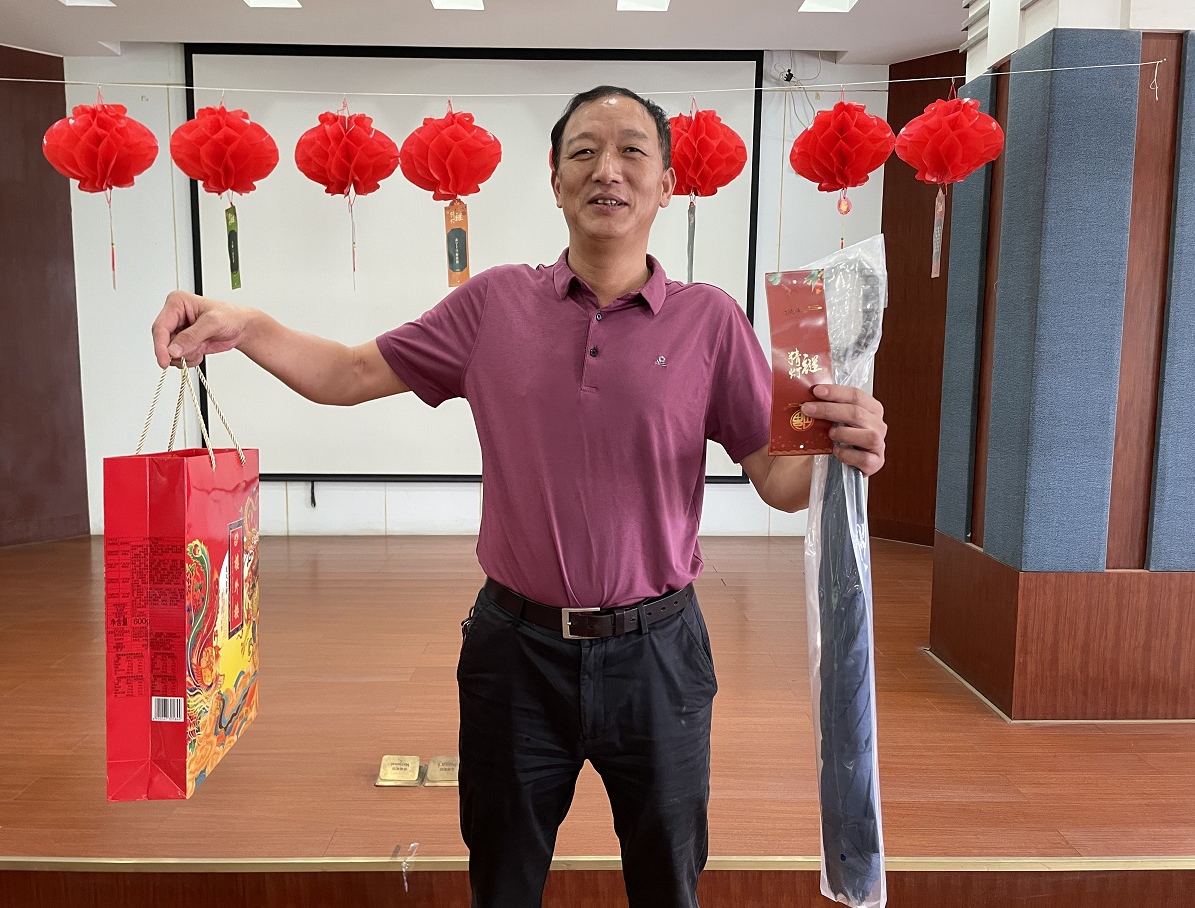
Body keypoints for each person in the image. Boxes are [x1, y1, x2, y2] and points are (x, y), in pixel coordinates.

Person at [152, 85, 888, 908]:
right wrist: (247, 326)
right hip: (516, 653)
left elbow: (777, 481)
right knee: (502, 883)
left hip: (659, 657)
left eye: (632, 151)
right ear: (555, 179)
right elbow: (348, 373)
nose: (607, 170)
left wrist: (839, 455)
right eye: (584, 151)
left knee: (668, 883)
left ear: (667, 184)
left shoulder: (710, 322)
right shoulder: (494, 304)